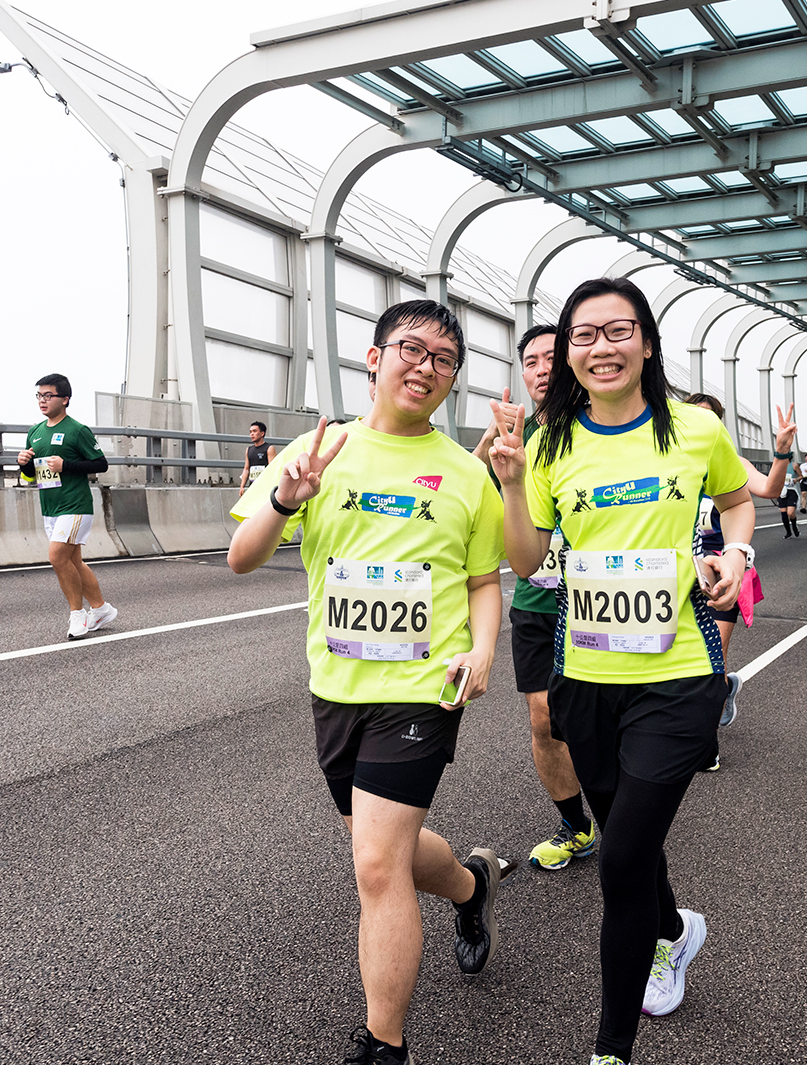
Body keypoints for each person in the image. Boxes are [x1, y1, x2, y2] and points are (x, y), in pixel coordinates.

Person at [228, 301, 504, 1065]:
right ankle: (472, 887)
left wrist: (484, 650)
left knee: (376, 866)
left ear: (452, 379)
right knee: (387, 847)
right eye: (411, 350)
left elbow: (486, 580)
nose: (425, 366)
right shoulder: (321, 449)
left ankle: (385, 1044)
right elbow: (241, 556)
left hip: (422, 687)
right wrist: (287, 499)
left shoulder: (465, 474)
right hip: (337, 685)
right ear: (374, 358)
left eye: (443, 359)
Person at [490, 277, 755, 1065]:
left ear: (646, 342)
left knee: (620, 858)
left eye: (617, 330)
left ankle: (611, 1048)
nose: (600, 347)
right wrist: (509, 479)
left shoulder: (697, 428)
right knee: (626, 838)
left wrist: (734, 554)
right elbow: (527, 558)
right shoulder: (550, 443)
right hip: (587, 675)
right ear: (568, 352)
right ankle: (674, 928)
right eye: (583, 335)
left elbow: (739, 501)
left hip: (679, 674)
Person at [474, 324, 598, 872]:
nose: (543, 368)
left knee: (605, 720)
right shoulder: (516, 436)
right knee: (544, 717)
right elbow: (468, 491)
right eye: (531, 361)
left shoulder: (601, 428)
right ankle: (577, 826)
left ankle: (627, 814)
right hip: (538, 599)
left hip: (603, 603)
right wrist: (488, 446)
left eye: (553, 356)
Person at [684, 393, 797, 737]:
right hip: (679, 575)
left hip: (724, 575)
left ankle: (707, 740)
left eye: (707, 418)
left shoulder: (732, 461)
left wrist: (781, 452)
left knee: (711, 653)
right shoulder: (668, 463)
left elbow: (768, 488)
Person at [17, 374, 117, 639]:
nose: (43, 400)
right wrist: (24, 462)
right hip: (51, 507)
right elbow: (31, 476)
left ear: (65, 399)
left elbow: (100, 464)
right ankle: (101, 609)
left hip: (75, 505)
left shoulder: (77, 430)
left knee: (57, 557)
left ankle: (78, 614)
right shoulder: (35, 432)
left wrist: (67, 465)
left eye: (48, 395)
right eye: (39, 395)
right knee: (73, 562)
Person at [238, 421, 278, 495]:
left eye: (254, 431)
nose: (252, 434)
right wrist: (242, 486)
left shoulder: (269, 448)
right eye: (250, 432)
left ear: (262, 433)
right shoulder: (249, 450)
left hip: (265, 487)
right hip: (252, 486)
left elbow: (272, 469)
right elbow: (246, 469)